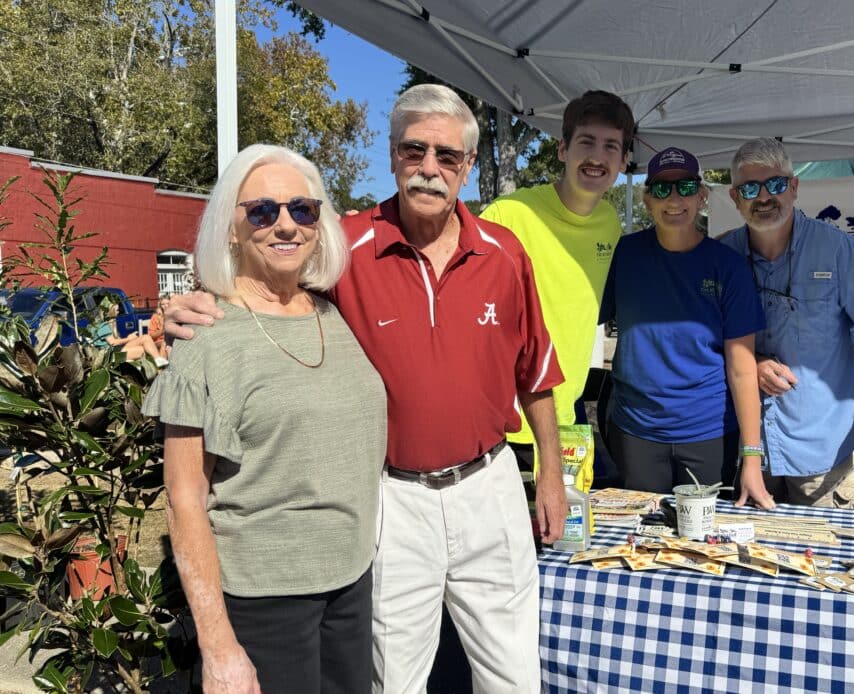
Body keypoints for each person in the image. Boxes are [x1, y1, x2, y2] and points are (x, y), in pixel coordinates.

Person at [166, 84, 567, 693]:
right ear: (392, 154)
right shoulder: (341, 247)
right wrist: (181, 306)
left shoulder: (505, 254)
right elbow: (263, 281)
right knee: (393, 680)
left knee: (513, 676)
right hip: (393, 498)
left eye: (447, 156)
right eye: (414, 150)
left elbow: (535, 373)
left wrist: (552, 477)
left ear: (467, 166)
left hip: (490, 486)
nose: (429, 168)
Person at [144, 144, 387, 693]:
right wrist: (218, 647)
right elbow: (184, 498)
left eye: (303, 209)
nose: (286, 224)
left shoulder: (333, 313)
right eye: (261, 211)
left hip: (351, 583)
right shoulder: (206, 337)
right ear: (230, 229)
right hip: (265, 599)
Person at [719, 137, 854, 509]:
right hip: (746, 451)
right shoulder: (721, 254)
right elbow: (705, 340)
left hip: (822, 451)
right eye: (750, 188)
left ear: (794, 187)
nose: (764, 197)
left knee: (828, 547)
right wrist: (752, 363)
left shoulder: (839, 250)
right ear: (735, 198)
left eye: (775, 184)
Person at [599, 146, 771, 504]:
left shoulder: (728, 266)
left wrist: (752, 457)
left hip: (709, 432)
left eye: (686, 187)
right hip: (635, 430)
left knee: (704, 534)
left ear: (702, 196)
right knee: (639, 532)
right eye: (662, 189)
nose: (674, 199)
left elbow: (742, 367)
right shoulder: (624, 254)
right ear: (647, 199)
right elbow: (581, 316)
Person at [479, 90, 633, 472]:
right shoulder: (507, 215)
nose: (597, 157)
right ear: (562, 149)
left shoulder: (609, 223)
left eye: (610, 146)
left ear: (624, 161)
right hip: (503, 425)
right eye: (586, 142)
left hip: (566, 421)